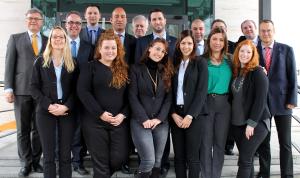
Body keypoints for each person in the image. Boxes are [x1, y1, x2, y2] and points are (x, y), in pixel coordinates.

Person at [77, 29, 129, 178]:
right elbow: (83, 92)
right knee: (101, 163)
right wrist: (100, 113)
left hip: (118, 122)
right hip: (94, 122)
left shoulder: (124, 69)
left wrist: (123, 114)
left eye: (113, 47)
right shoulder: (89, 67)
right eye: (106, 47)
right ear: (100, 49)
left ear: (118, 49)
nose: (110, 51)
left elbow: (130, 96)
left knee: (119, 158)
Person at [4, 8, 46, 177]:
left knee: (38, 129)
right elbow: (9, 65)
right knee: (22, 129)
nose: (33, 21)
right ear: (26, 20)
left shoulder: (48, 39)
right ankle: (25, 163)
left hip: (42, 92)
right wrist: (8, 88)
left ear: (42, 22)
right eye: (30, 18)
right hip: (21, 91)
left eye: (37, 19)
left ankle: (36, 161)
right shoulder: (15, 39)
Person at [134, 9, 176, 176]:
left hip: (162, 103)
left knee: (160, 153)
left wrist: (160, 117)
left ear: (165, 20)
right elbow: (137, 69)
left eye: (160, 18)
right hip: (143, 108)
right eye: (154, 19)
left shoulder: (175, 41)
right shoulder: (141, 42)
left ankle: (161, 166)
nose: (157, 22)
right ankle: (144, 167)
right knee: (148, 158)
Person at [30, 26, 76, 178]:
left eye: (61, 37)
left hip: (67, 111)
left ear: (65, 40)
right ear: (50, 40)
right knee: (48, 156)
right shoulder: (40, 62)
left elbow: (77, 90)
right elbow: (33, 88)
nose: (58, 39)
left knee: (65, 155)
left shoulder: (73, 63)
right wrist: (48, 105)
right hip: (45, 111)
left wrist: (66, 106)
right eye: (54, 37)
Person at [256, 19, 297, 178]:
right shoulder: (253, 50)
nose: (266, 33)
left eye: (268, 30)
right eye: (263, 31)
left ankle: (287, 174)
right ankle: (264, 172)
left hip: (283, 102)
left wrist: (292, 99)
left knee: (285, 143)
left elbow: (292, 76)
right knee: (263, 141)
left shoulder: (286, 49)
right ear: (259, 32)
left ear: (274, 31)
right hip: (262, 103)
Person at [129, 38, 173, 178]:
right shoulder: (135, 69)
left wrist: (159, 118)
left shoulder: (165, 70)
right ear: (149, 48)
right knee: (148, 160)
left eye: (163, 51)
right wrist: (144, 119)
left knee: (157, 162)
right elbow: (132, 96)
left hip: (161, 122)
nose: (159, 53)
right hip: (140, 121)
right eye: (157, 49)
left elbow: (168, 98)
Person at [170, 30, 208, 178]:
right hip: (176, 115)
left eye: (190, 43)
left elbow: (201, 91)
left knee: (193, 157)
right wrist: (173, 113)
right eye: (183, 43)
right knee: (179, 157)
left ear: (194, 45)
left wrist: (190, 115)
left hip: (194, 116)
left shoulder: (200, 63)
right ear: (179, 45)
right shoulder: (174, 63)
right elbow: (169, 91)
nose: (186, 46)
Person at [231, 40, 270, 178]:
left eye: (249, 52)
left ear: (253, 54)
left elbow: (260, 101)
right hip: (237, 123)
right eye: (242, 51)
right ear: (237, 52)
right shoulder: (236, 71)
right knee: (247, 160)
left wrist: (251, 124)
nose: (245, 54)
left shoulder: (258, 72)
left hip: (256, 124)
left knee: (244, 160)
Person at [200, 27, 232, 178]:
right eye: (214, 39)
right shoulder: (201, 60)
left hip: (224, 104)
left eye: (221, 40)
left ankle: (215, 175)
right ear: (209, 41)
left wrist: (260, 69)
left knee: (220, 143)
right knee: (205, 144)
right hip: (205, 103)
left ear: (225, 42)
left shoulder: (231, 60)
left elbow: (247, 68)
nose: (217, 42)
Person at [65, 10, 93, 175]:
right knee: (60, 130)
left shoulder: (88, 47)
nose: (74, 26)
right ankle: (60, 159)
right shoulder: (58, 43)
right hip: (61, 96)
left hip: (81, 95)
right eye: (70, 22)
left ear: (81, 25)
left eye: (77, 23)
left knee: (79, 131)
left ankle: (78, 162)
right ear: (66, 25)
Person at [211, 18, 236, 156]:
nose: (218, 42)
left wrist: (258, 69)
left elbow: (244, 65)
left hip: (227, 99)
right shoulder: (204, 59)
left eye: (221, 28)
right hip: (208, 101)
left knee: (224, 133)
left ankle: (228, 146)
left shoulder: (231, 56)